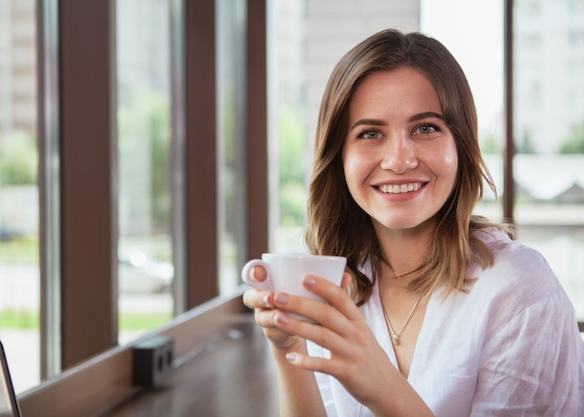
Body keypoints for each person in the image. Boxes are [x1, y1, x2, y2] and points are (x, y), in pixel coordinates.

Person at [242, 28, 584, 416]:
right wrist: (289, 347)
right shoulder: (336, 284)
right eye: (370, 133)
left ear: (461, 145)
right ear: (339, 157)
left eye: (425, 128)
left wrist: (382, 387)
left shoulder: (520, 290)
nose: (399, 160)